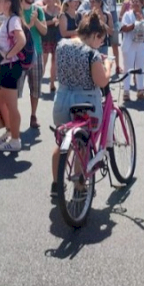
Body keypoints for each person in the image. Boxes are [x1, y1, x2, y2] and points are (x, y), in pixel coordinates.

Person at [50, 12, 113, 196]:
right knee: (83, 144)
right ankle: (79, 184)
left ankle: (56, 184)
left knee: (62, 142)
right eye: (101, 40)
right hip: (85, 102)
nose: (101, 44)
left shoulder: (62, 45)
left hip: (62, 99)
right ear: (95, 35)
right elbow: (101, 81)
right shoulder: (92, 54)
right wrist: (107, 66)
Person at [0, 0, 28, 152]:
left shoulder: (13, 20)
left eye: (0, 1)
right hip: (5, 67)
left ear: (8, 3)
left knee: (11, 106)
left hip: (10, 67)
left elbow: (21, 40)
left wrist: (8, 55)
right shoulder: (7, 19)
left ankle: (15, 140)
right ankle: (10, 131)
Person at [16, 0, 48, 129]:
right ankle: (13, 118)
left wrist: (36, 22)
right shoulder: (16, 11)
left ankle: (33, 115)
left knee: (36, 87)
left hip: (37, 52)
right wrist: (30, 22)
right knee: (16, 89)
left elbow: (44, 31)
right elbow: (21, 31)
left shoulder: (38, 10)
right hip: (19, 56)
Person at [120, 0, 144, 101]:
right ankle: (126, 91)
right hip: (130, 45)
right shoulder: (127, 15)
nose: (135, 4)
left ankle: (140, 90)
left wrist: (143, 20)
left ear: (142, 4)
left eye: (138, 2)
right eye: (133, 2)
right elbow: (124, 28)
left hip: (142, 44)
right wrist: (135, 23)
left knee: (140, 67)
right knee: (128, 68)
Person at [96, 0, 129, 73]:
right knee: (100, 43)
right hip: (103, 21)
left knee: (115, 44)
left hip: (114, 21)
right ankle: (100, 66)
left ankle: (118, 66)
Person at [41, 0, 62, 92]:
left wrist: (59, 21)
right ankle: (38, 83)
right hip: (45, 37)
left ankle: (52, 83)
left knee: (54, 61)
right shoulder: (42, 10)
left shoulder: (59, 9)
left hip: (56, 38)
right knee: (43, 61)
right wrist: (52, 21)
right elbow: (42, 24)